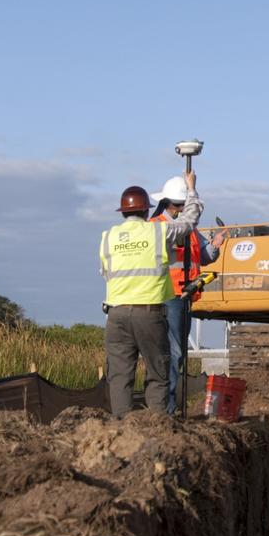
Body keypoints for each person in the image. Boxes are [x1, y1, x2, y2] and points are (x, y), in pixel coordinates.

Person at [98, 171, 202, 417]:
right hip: (149, 314)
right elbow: (189, 222)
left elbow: (105, 272)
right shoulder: (158, 232)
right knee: (158, 373)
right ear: (147, 212)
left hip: (116, 315)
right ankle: (157, 425)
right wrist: (192, 190)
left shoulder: (107, 238)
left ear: (122, 212)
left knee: (120, 376)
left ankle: (122, 428)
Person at [151, 175, 227, 415]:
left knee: (177, 354)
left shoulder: (189, 229)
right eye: (179, 206)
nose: (182, 210)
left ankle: (167, 407)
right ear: (169, 204)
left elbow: (203, 255)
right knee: (172, 353)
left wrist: (214, 245)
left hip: (184, 297)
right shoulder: (157, 227)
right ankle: (167, 409)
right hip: (167, 296)